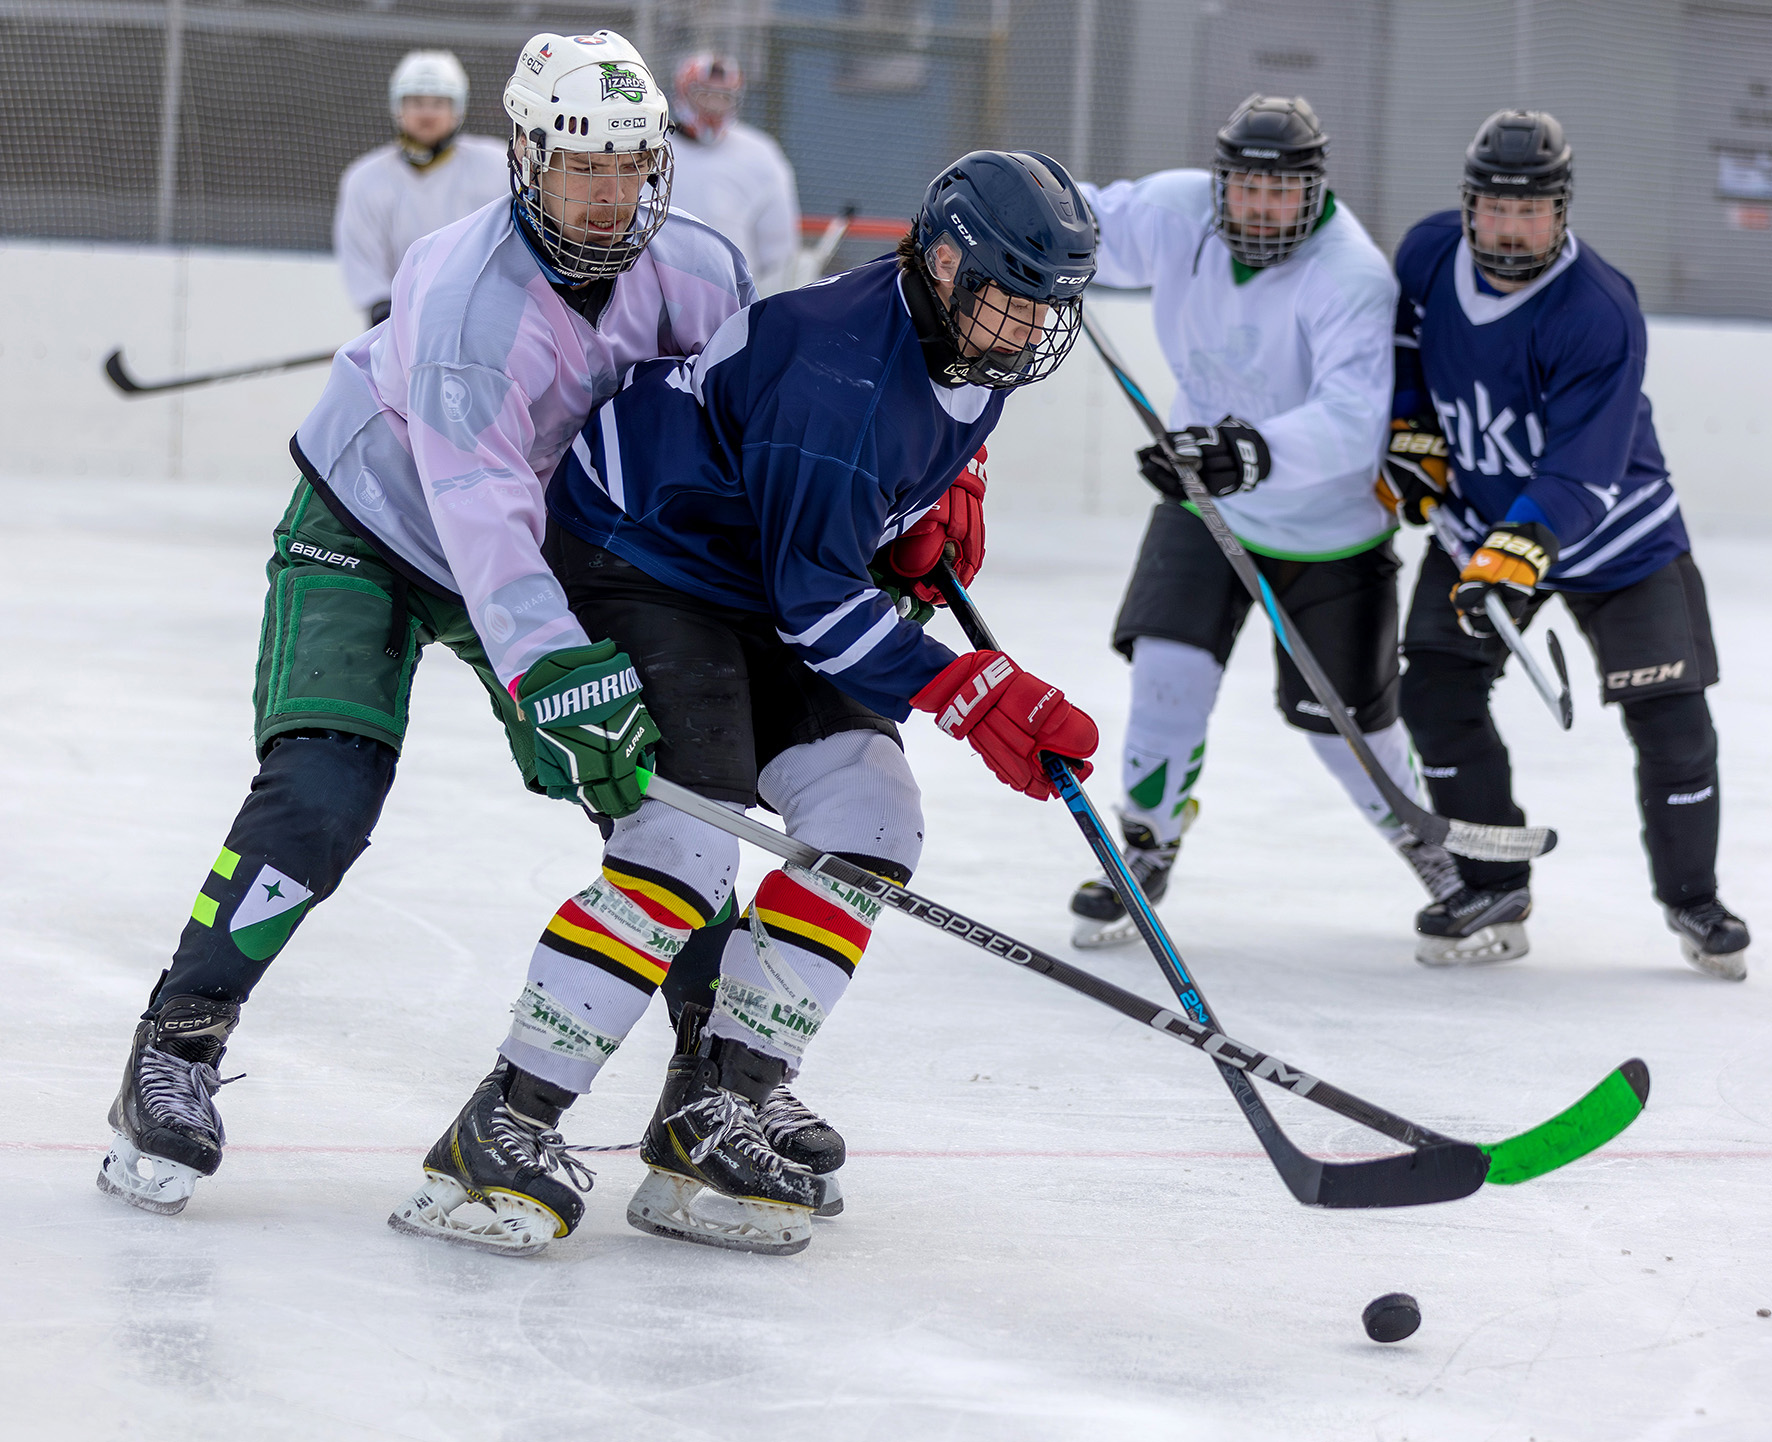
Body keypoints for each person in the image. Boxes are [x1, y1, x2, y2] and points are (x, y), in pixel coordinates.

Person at [97, 30, 762, 1220]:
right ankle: (175, 1044)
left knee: (667, 798)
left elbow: (742, 433)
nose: (609, 196)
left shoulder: (702, 274)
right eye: (580, 166)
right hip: (373, 520)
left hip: (548, 538)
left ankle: (705, 1085)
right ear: (524, 157)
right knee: (323, 786)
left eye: (630, 164)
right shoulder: (464, 296)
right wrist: (558, 671)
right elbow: (480, 514)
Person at [389, 149, 1100, 1259]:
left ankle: (717, 1103)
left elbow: (844, 530)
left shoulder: (964, 335)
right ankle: (503, 1124)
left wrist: (929, 495)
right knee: (682, 841)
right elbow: (818, 606)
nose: (1024, 332)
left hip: (752, 571)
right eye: (1011, 301)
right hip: (641, 557)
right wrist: (971, 691)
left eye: (1046, 309)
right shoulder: (839, 376)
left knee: (870, 816)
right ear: (949, 263)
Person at [1063, 94, 1460, 950]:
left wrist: (1244, 452)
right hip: (1208, 506)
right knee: (1166, 672)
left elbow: (1355, 420)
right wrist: (1005, 203)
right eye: (1247, 188)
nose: (1263, 207)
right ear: (1222, 183)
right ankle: (1146, 844)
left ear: (1315, 191)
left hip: (1328, 526)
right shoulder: (1180, 211)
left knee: (1343, 721)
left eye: (1284, 193)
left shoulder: (1349, 272)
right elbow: (1083, 217)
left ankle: (1428, 845)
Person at [1386, 109, 1751, 978]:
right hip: (1479, 519)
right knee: (1437, 692)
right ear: (1469, 207)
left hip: (1620, 539)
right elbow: (1403, 350)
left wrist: (1515, 557)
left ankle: (1692, 899)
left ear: (1563, 211)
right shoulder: (1429, 254)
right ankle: (1493, 881)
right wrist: (1412, 437)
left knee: (1673, 722)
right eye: (1497, 209)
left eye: (1534, 211)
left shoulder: (1599, 310)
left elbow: (1583, 474)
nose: (1513, 229)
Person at [333, 50, 508, 327]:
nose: (427, 113)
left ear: (457, 109)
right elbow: (362, 257)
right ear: (398, 108)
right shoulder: (365, 179)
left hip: (483, 318)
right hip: (401, 323)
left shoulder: (497, 166)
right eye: (416, 102)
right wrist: (384, 312)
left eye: (439, 103)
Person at [667, 53, 801, 294]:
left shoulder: (761, 154)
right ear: (684, 92)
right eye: (705, 95)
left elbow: (779, 249)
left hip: (731, 292)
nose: (713, 107)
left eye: (723, 97)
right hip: (659, 285)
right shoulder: (653, 148)